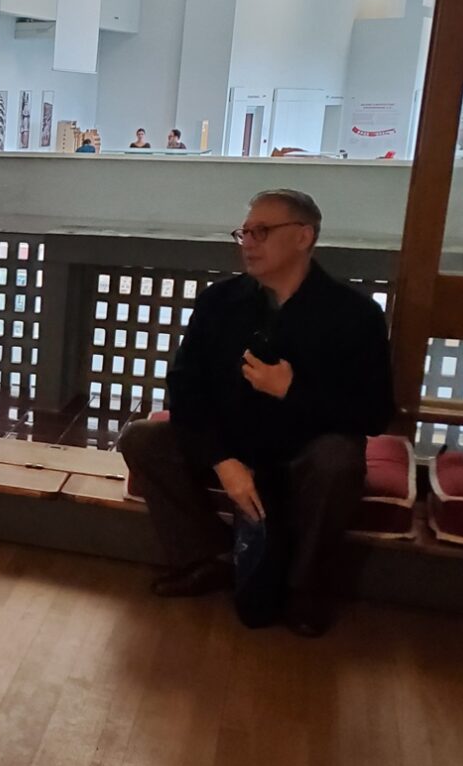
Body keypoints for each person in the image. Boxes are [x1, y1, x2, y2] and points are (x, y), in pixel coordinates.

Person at [117, 190, 393, 637]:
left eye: (261, 232)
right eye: (244, 232)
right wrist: (222, 459)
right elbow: (185, 387)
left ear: (303, 237)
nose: (247, 242)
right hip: (233, 442)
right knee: (142, 439)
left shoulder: (354, 314)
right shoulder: (220, 301)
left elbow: (374, 413)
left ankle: (305, 588)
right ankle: (208, 558)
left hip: (304, 450)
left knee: (337, 461)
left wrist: (292, 391)